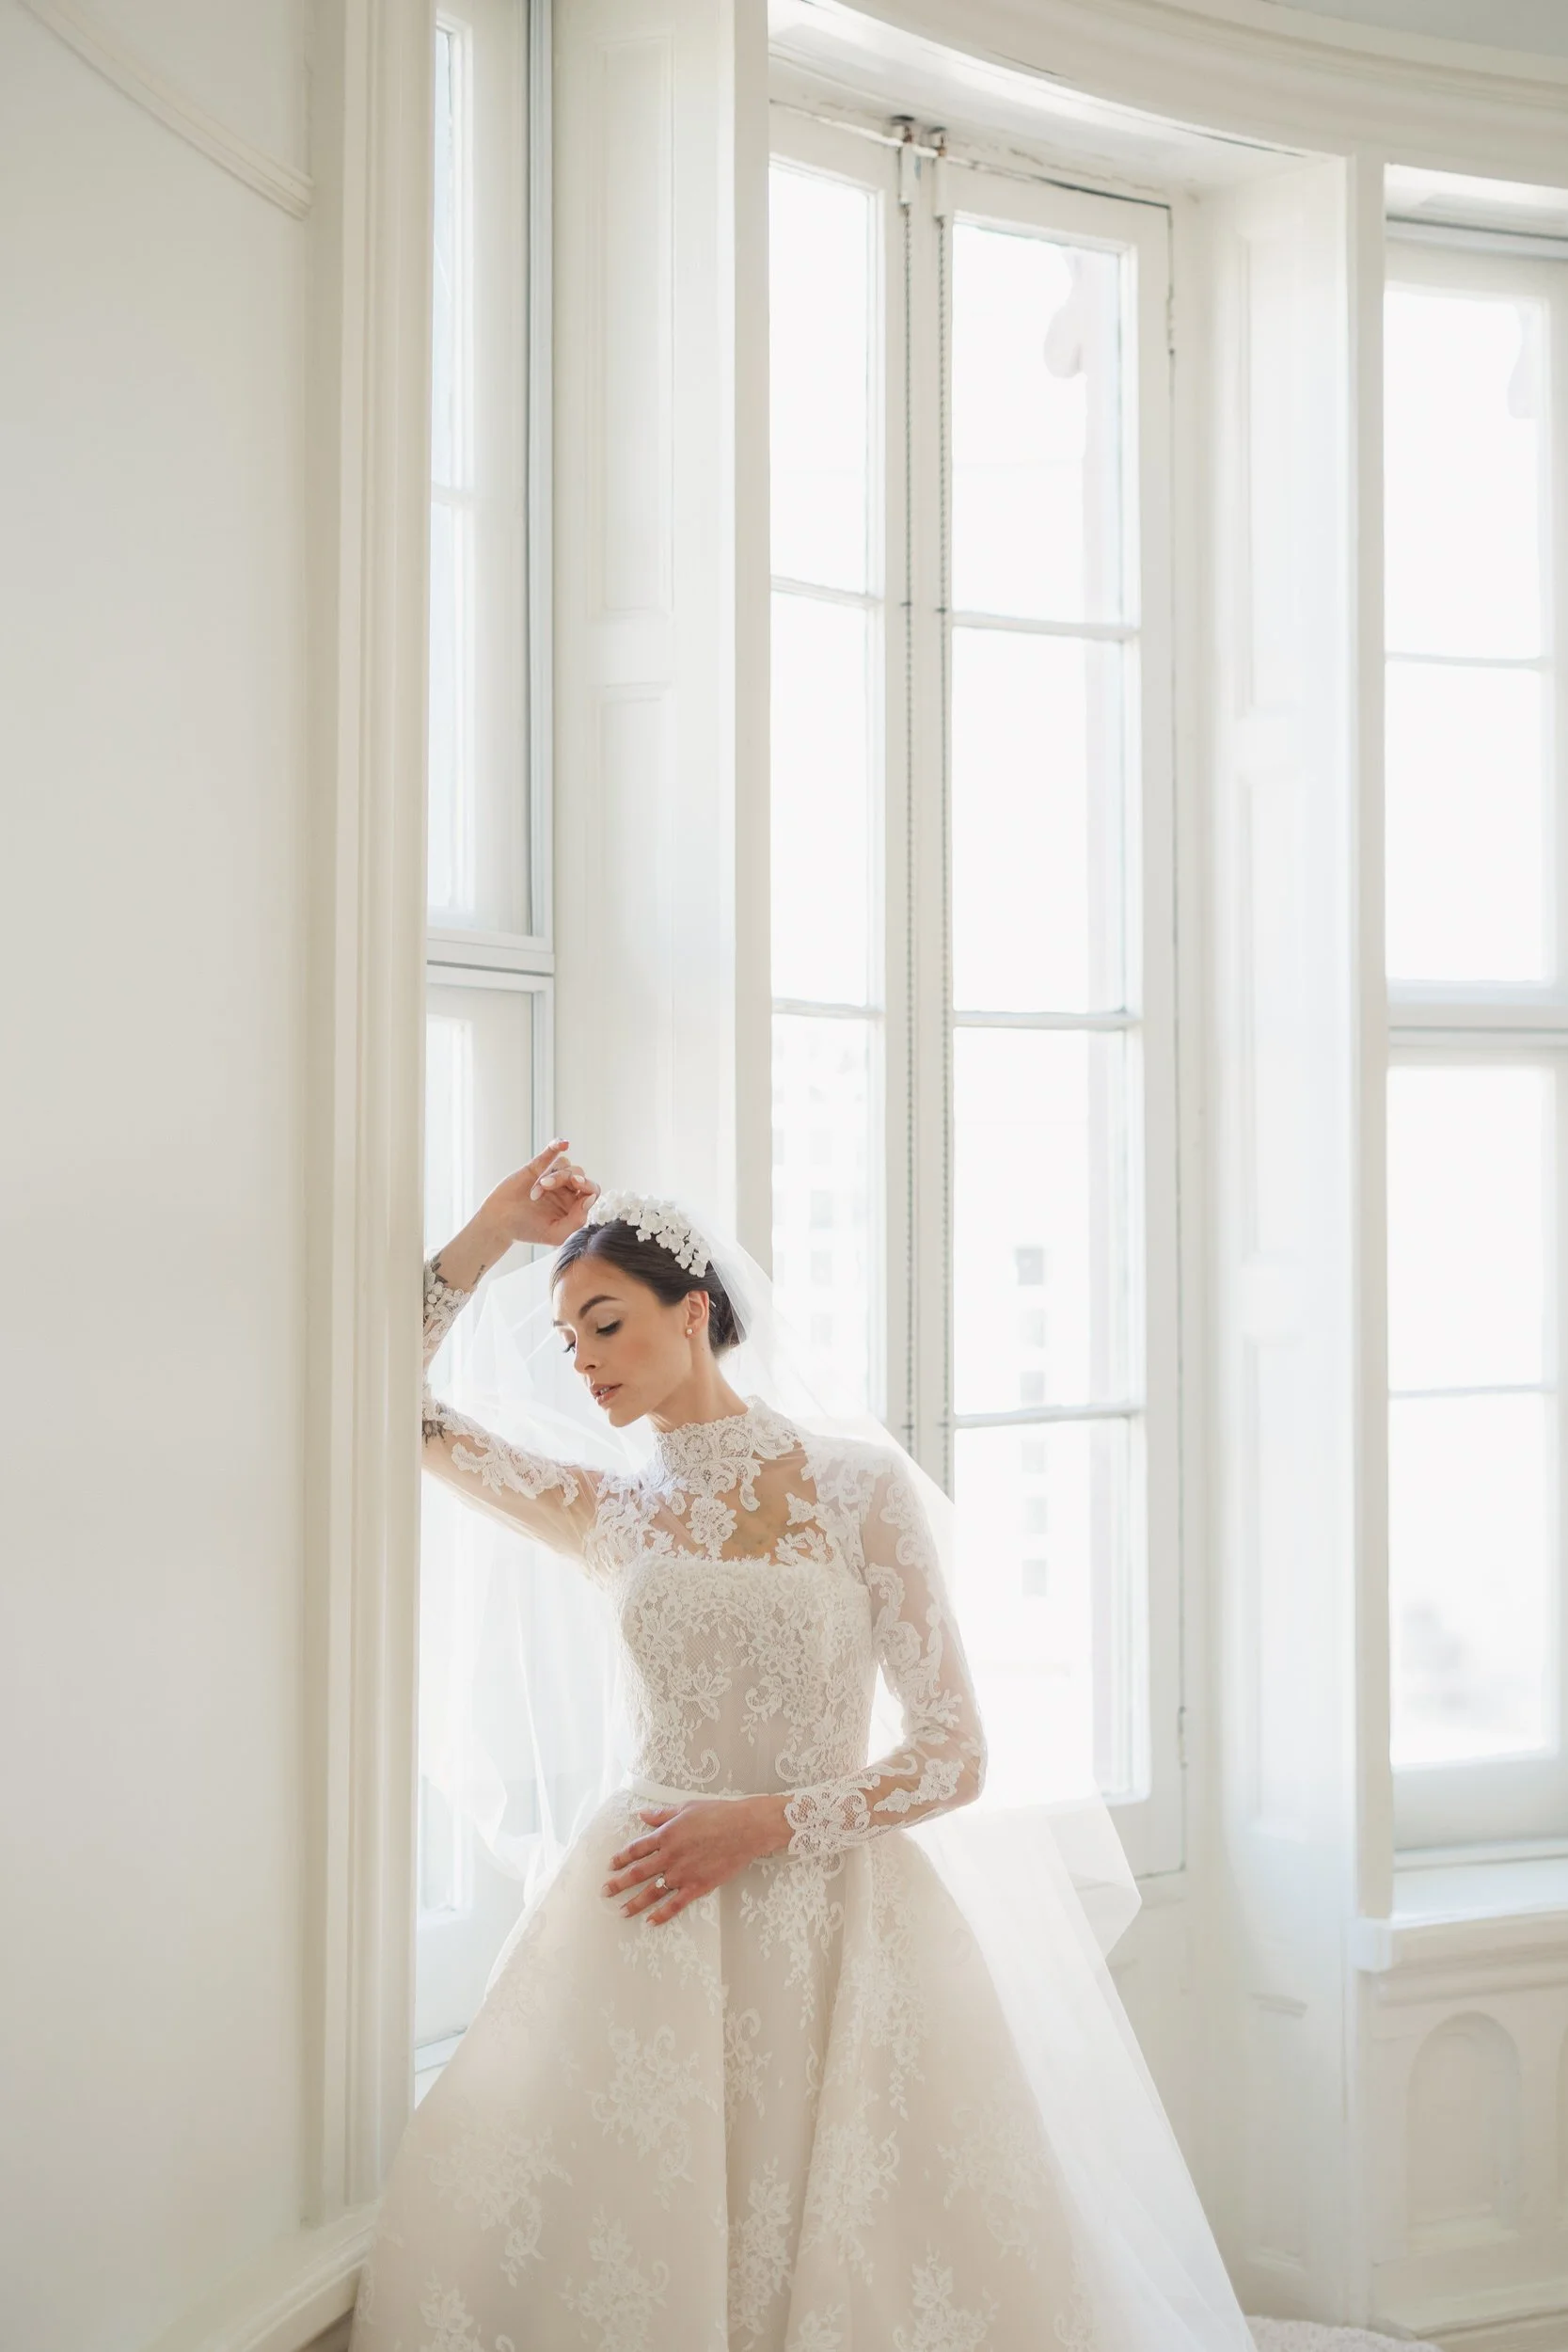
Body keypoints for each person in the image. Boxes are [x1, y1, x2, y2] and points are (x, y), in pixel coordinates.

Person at [347, 1142, 1258, 2352]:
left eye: (606, 1324)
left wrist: (762, 1821)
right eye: (567, 1342)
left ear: (694, 1308)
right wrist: (483, 1234)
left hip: (839, 1923)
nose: (583, 1364)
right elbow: (383, 1402)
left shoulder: (855, 1488)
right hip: (647, 1909)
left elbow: (953, 1753)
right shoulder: (605, 1511)